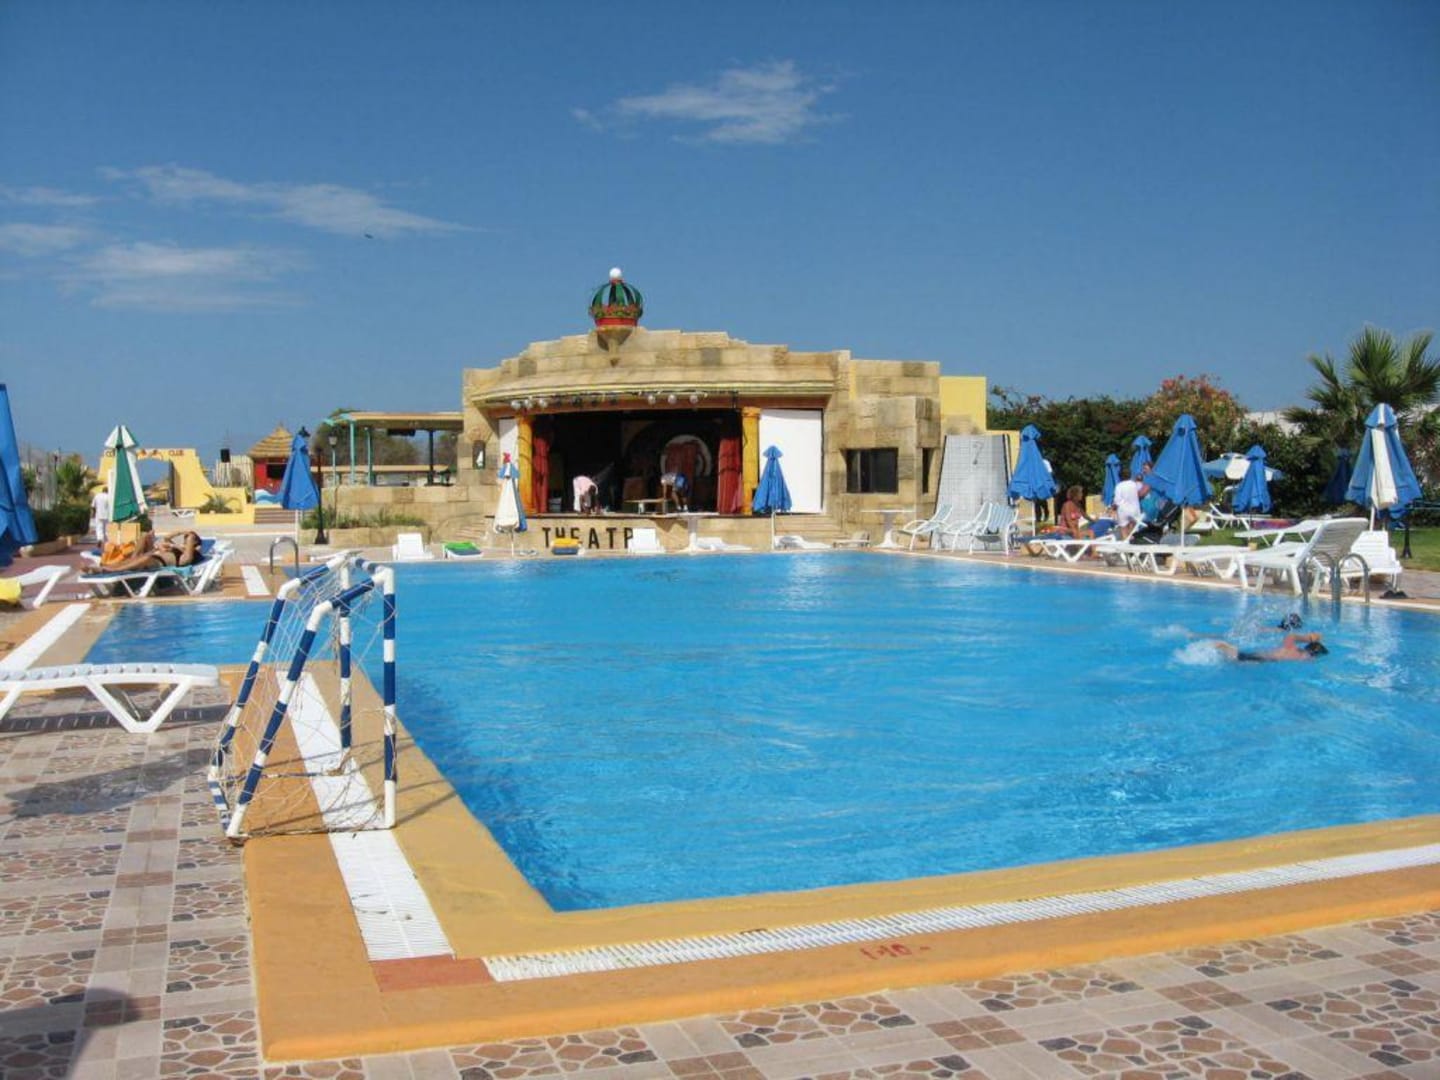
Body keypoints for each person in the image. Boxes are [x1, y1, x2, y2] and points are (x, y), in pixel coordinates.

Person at [1207, 617, 1328, 662]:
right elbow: (1291, 636)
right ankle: (1226, 647)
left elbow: (1290, 637)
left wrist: (1308, 638)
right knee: (1237, 657)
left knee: (1239, 657)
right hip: (1265, 659)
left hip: (1264, 656)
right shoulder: (1300, 655)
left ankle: (1226, 648)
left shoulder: (1293, 650)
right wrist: (1308, 638)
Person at [87, 530, 201, 575]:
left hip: (159, 561)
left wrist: (190, 537)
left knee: (145, 558)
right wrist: (181, 532)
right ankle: (107, 567)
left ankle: (110, 570)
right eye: (186, 538)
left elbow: (187, 558)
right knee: (144, 536)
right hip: (154, 554)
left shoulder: (192, 553)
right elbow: (167, 537)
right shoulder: (179, 547)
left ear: (194, 542)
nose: (186, 538)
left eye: (189, 538)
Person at [1111, 473, 1146, 539]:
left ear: (1120, 477)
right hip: (1134, 510)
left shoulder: (1119, 486)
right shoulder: (1134, 484)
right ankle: (1131, 539)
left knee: (1123, 530)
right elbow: (1141, 489)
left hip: (1123, 510)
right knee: (1132, 529)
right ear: (1130, 475)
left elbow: (1117, 501)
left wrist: (1113, 508)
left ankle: (1125, 541)